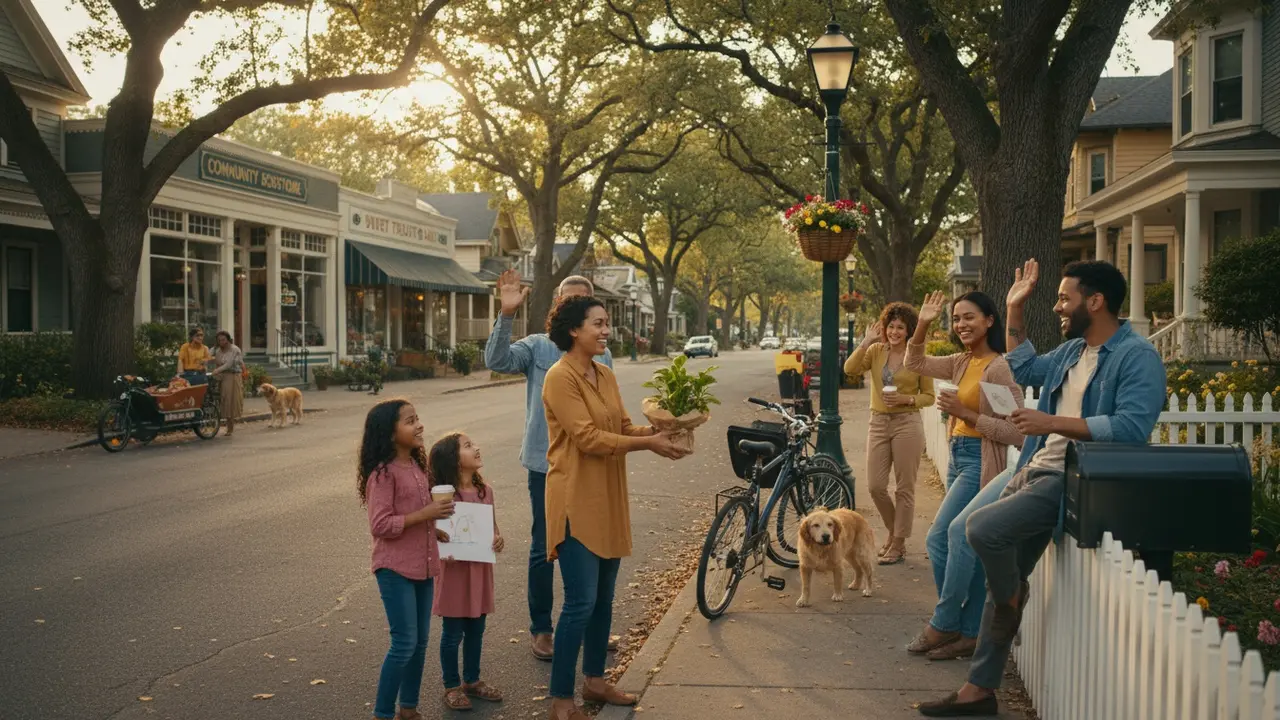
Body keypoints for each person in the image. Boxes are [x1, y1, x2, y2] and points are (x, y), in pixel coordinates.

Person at [917, 260, 1167, 717]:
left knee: (980, 530)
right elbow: (1027, 367)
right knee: (1001, 574)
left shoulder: (1137, 357)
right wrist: (1015, 308)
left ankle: (1012, 597)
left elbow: (1132, 427)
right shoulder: (1074, 352)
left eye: (1064, 299)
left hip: (1072, 478)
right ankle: (979, 691)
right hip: (1034, 467)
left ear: (1096, 302)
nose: (1058, 308)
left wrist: (1051, 422)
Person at [540, 295, 689, 720]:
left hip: (608, 494)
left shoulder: (604, 373)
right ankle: (561, 700)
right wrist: (647, 443)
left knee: (604, 599)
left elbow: (621, 427)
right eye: (598, 324)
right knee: (580, 602)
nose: (606, 331)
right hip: (574, 498)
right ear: (574, 330)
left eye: (607, 323)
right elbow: (587, 438)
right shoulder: (559, 376)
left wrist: (664, 431)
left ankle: (595, 681)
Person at [483, 269, 615, 661]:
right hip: (546, 466)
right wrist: (506, 314)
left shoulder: (602, 352)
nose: (571, 307)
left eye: (580, 302)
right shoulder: (538, 348)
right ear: (557, 306)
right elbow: (497, 360)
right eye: (566, 301)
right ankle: (542, 629)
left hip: (590, 465)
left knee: (592, 546)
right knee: (546, 547)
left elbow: (607, 412)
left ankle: (590, 627)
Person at [904, 291, 1024, 662]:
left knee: (944, 536)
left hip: (978, 461)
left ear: (990, 320)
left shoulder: (997, 368)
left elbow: (1017, 431)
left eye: (969, 317)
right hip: (957, 458)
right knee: (961, 544)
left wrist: (965, 413)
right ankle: (969, 631)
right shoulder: (962, 361)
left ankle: (945, 622)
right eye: (956, 319)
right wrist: (923, 322)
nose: (961, 325)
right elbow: (916, 361)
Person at [359, 400, 456, 720]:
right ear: (389, 433)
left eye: (418, 419)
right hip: (395, 568)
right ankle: (383, 713)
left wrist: (435, 527)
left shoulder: (417, 467)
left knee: (419, 643)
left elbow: (416, 516)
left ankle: (409, 709)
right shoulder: (382, 474)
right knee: (404, 643)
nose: (419, 426)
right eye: (410, 421)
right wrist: (426, 514)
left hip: (424, 566)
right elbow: (380, 525)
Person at [844, 302, 935, 565]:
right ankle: (896, 534)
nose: (895, 332)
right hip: (879, 422)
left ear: (909, 331)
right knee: (875, 486)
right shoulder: (875, 351)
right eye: (891, 326)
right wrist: (865, 341)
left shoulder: (917, 358)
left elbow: (929, 396)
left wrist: (906, 400)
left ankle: (897, 543)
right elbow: (850, 370)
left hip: (907, 423)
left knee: (904, 488)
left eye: (901, 328)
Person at [428, 432, 505, 711]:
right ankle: (451, 685)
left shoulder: (486, 491)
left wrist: (497, 539)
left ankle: (472, 680)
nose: (477, 448)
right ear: (453, 459)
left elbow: (492, 528)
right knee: (452, 633)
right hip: (453, 572)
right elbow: (432, 532)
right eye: (469, 446)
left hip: (479, 571)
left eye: (475, 443)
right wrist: (440, 545)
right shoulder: (443, 496)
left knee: (477, 629)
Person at [210, 331, 245, 436]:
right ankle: (227, 425)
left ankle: (230, 427)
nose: (221, 342)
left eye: (223, 340)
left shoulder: (234, 349)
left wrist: (217, 370)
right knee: (224, 400)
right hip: (222, 377)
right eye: (219, 340)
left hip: (233, 376)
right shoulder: (217, 350)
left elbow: (228, 364)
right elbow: (207, 355)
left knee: (231, 401)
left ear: (228, 339)